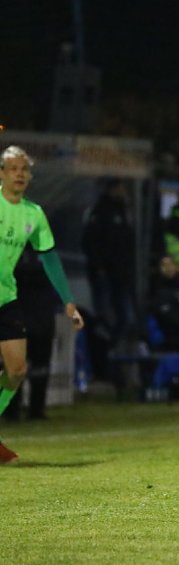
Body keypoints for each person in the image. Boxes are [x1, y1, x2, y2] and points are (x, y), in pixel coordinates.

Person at [0, 146, 85, 463]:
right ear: (1, 174)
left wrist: (68, 301)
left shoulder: (33, 213)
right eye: (13, 168)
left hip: (6, 298)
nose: (19, 174)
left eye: (24, 169)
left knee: (17, 370)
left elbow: (49, 257)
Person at [1, 246, 59, 422]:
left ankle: (19, 410)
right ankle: (31, 410)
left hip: (25, 319)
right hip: (35, 319)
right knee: (29, 368)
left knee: (27, 368)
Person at [81, 178, 136, 342]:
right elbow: (90, 242)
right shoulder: (100, 212)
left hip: (121, 274)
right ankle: (106, 346)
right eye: (121, 188)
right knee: (105, 315)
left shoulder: (123, 212)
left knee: (125, 317)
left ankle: (114, 345)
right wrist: (99, 267)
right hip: (105, 273)